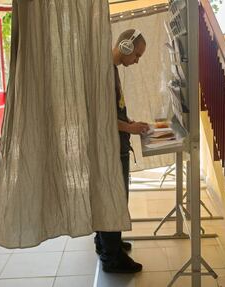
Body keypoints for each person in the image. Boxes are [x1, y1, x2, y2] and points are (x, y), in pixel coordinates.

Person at [95, 29, 150, 274]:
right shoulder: (105, 71)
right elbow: (102, 116)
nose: (137, 60)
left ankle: (107, 243)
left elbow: (113, 110)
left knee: (110, 197)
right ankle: (112, 257)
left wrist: (129, 123)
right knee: (114, 199)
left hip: (114, 143)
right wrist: (130, 127)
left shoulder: (109, 69)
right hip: (111, 146)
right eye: (136, 55)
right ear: (125, 47)